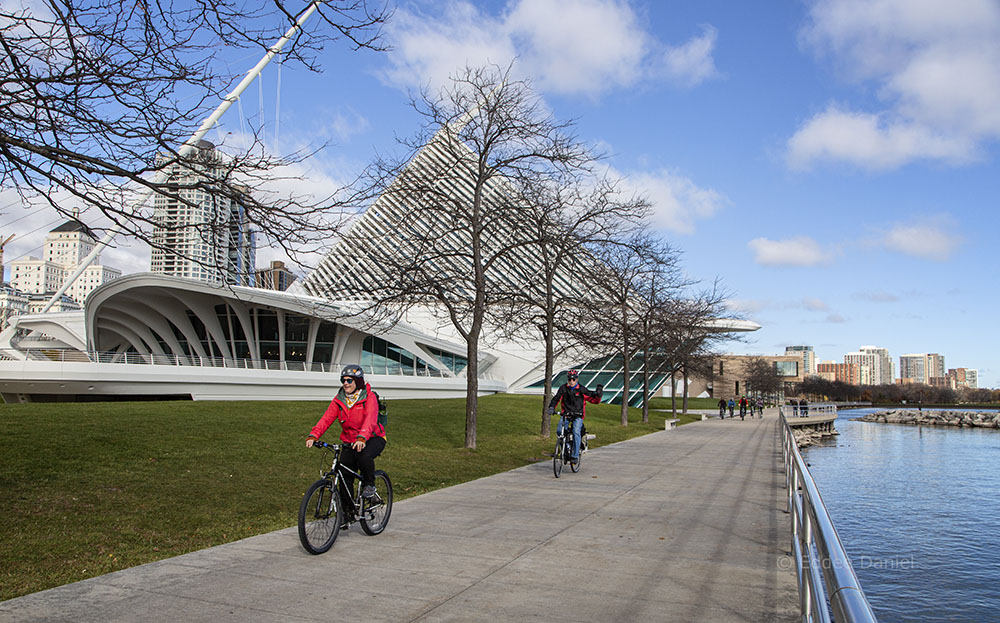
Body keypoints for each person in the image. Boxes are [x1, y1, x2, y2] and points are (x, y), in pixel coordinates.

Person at [306, 365, 386, 526]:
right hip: (350, 441)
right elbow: (327, 418)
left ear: (357, 381)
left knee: (364, 456)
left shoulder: (368, 396)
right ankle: (348, 513)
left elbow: (370, 418)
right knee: (344, 475)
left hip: (373, 437)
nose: (345, 383)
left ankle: (370, 485)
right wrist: (314, 435)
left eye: (349, 380)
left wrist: (362, 437)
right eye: (343, 380)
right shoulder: (340, 399)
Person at [547, 370, 601, 464]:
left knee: (576, 431)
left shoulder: (581, 389)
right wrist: (551, 407)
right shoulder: (563, 388)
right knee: (560, 431)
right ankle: (566, 446)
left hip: (578, 415)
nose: (571, 381)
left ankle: (575, 455)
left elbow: (593, 399)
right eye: (569, 379)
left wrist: (599, 394)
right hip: (566, 414)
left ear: (577, 379)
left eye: (573, 379)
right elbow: (556, 399)